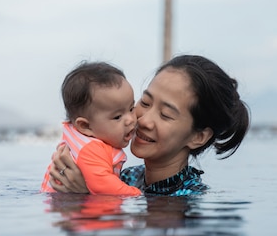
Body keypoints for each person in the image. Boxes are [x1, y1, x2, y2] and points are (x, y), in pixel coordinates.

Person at [48, 54, 250, 196]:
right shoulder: (126, 177)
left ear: (198, 137)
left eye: (165, 114)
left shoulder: (186, 196)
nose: (142, 120)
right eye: (144, 103)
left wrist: (88, 196)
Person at [40, 61, 142, 196]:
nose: (130, 120)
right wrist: (137, 195)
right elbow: (104, 187)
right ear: (85, 126)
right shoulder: (92, 149)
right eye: (117, 117)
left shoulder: (82, 140)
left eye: (131, 109)